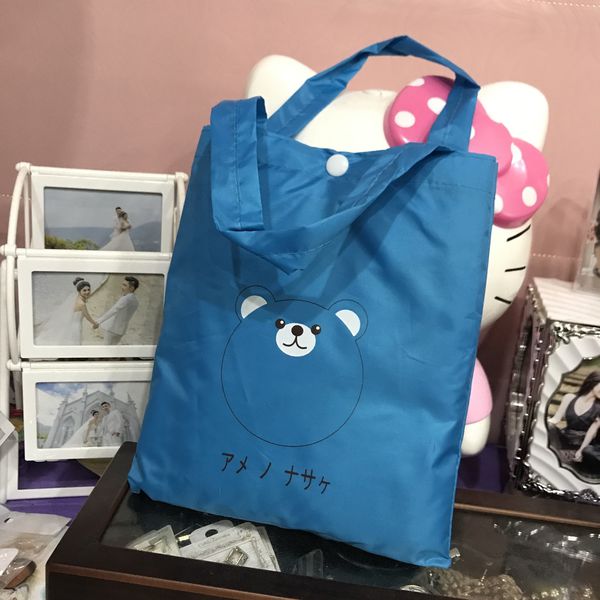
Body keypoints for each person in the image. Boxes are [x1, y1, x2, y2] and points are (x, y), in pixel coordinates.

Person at [35, 277, 99, 345]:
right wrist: (95, 323)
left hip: (72, 325)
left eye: (88, 289)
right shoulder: (81, 304)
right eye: (84, 290)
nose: (87, 292)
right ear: (79, 291)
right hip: (75, 327)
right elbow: (88, 316)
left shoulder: (76, 299)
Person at [548, 371, 600, 451]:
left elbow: (592, 432)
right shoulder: (569, 398)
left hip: (583, 443)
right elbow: (555, 419)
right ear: (593, 382)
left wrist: (581, 450)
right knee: (549, 426)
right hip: (565, 437)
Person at [93, 276, 140, 345]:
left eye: (125, 285)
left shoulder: (125, 298)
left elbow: (113, 310)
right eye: (122, 284)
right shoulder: (136, 301)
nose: (122, 287)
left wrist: (98, 321)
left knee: (106, 348)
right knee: (113, 349)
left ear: (132, 288)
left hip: (112, 328)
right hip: (121, 331)